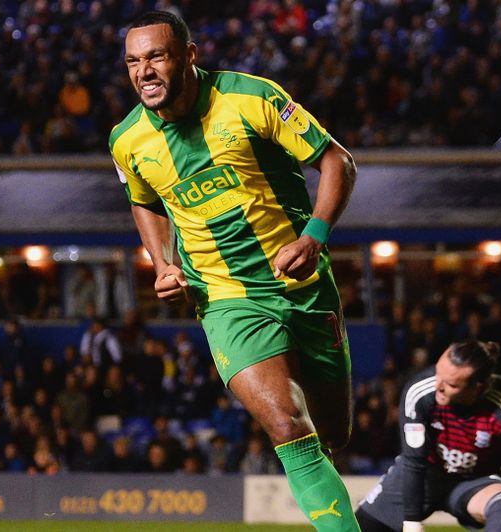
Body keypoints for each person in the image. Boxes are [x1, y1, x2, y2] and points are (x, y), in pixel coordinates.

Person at [109, 11, 359, 531]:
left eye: (156, 56)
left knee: (334, 433)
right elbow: (145, 200)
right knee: (286, 424)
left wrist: (314, 236)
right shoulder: (127, 139)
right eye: (134, 61)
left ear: (189, 55)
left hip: (303, 286)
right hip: (224, 299)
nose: (144, 72)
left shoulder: (252, 98)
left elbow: (337, 161)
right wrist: (162, 263)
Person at [356, 340, 501, 532]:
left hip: (474, 482)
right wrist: (411, 522)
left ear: (479, 387)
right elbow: (414, 461)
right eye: (437, 373)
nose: (437, 385)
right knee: (358, 528)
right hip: (424, 476)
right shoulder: (421, 392)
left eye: (450, 384)